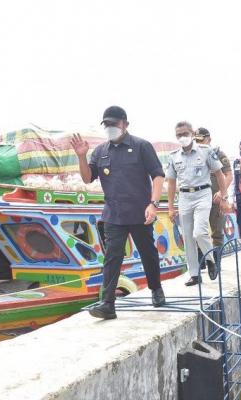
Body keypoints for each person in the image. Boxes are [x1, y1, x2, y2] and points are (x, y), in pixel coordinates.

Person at [71, 106, 166, 319]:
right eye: (107, 125)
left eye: (114, 124)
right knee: (112, 257)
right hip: (113, 213)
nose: (110, 128)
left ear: (125, 124)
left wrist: (153, 204)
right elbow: (87, 178)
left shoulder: (142, 146)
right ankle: (107, 303)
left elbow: (158, 176)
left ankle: (156, 289)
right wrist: (81, 157)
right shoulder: (100, 151)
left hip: (140, 212)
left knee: (147, 253)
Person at [166, 121, 227, 286]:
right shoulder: (174, 156)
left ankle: (210, 259)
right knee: (188, 237)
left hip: (203, 193)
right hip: (184, 196)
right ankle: (194, 274)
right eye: (179, 135)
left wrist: (224, 196)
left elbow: (220, 174)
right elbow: (171, 183)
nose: (182, 137)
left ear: (192, 133)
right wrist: (171, 207)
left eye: (185, 133)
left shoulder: (206, 151)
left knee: (199, 232)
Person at [193, 127, 233, 257]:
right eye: (196, 141)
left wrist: (222, 194)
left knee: (217, 233)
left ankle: (216, 263)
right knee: (198, 232)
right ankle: (202, 264)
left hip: (216, 199)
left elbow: (228, 176)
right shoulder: (193, 156)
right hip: (199, 199)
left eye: (201, 140)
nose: (198, 143)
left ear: (209, 139)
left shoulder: (219, 155)